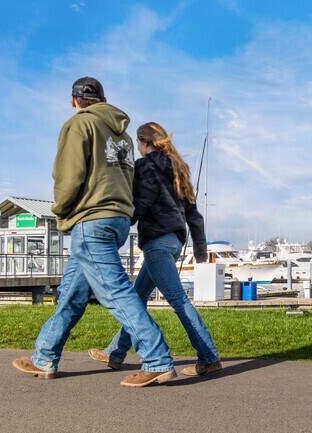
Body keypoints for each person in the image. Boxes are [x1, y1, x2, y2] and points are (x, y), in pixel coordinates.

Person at [12, 77, 176, 388]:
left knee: (115, 293)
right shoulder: (124, 136)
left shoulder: (79, 125)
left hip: (91, 219)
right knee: (72, 295)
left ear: (73, 100)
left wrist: (61, 210)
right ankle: (44, 356)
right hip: (116, 220)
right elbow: (129, 180)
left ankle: (157, 360)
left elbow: (68, 174)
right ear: (103, 99)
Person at [88, 122, 222, 376]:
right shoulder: (178, 168)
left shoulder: (146, 165)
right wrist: (200, 249)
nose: (138, 148)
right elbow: (194, 215)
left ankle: (209, 356)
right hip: (173, 242)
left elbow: (142, 202)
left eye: (138, 144)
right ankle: (114, 353)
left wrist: (119, 221)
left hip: (157, 242)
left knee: (179, 301)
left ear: (144, 142)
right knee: (137, 298)